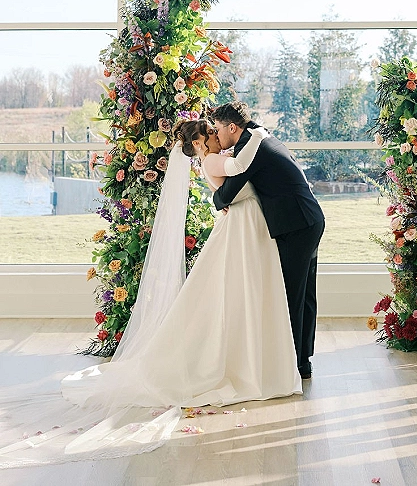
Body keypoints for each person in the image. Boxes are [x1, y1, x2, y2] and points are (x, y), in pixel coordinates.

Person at [0, 119, 300, 470]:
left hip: (247, 227)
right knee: (237, 294)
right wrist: (258, 135)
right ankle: (247, 362)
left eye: (218, 132)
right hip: (242, 229)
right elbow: (238, 168)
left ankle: (250, 356)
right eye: (212, 134)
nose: (218, 137)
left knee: (237, 294)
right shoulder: (217, 160)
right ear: (201, 144)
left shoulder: (216, 156)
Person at [211, 102, 325, 380]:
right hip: (309, 219)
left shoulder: (249, 149)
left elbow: (227, 193)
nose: (217, 136)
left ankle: (293, 364)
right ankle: (302, 362)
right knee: (304, 293)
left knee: (291, 295)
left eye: (217, 129)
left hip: (297, 225)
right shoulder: (262, 136)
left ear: (232, 127)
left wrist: (215, 199)